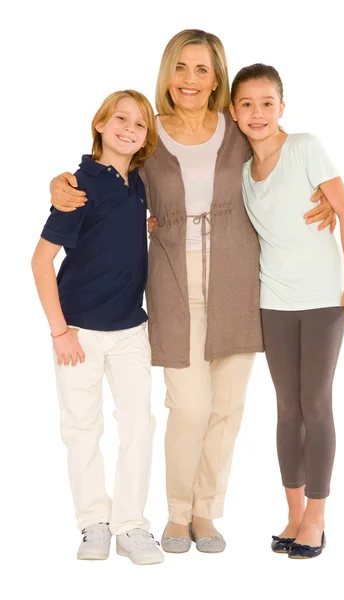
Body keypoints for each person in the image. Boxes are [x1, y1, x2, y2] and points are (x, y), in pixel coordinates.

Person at [48, 30, 336, 554]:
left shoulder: (235, 126)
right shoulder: (149, 134)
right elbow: (105, 165)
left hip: (239, 276)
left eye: (202, 69)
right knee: (189, 404)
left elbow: (282, 146)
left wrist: (328, 195)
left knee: (227, 405)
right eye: (181, 67)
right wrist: (57, 183)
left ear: (217, 77)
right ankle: (177, 512)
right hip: (172, 280)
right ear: (168, 73)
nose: (190, 79)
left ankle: (207, 510)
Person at [230, 63, 344, 559]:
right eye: (246, 104)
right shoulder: (245, 173)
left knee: (316, 403)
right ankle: (292, 515)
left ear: (282, 108)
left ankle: (317, 517)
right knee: (287, 407)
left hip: (323, 299)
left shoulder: (305, 146)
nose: (258, 112)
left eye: (267, 103)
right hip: (274, 301)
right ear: (234, 112)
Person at [31, 90, 164, 566]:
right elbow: (41, 260)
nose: (130, 128)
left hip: (131, 329)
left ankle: (132, 525)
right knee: (81, 428)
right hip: (79, 333)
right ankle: (94, 523)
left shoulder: (139, 183)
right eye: (120, 119)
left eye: (140, 124)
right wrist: (59, 331)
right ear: (101, 123)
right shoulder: (79, 184)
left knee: (138, 426)